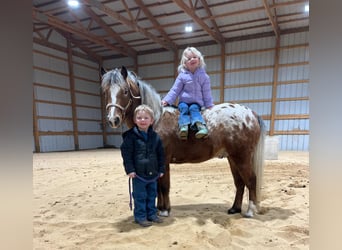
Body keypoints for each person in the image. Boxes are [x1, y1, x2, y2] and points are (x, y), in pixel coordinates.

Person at [120, 104, 165, 227]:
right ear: (135, 120)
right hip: (138, 174)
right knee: (140, 196)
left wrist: (161, 169)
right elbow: (126, 155)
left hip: (153, 173)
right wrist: (130, 170)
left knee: (152, 195)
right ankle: (140, 217)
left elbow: (161, 154)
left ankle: (151, 214)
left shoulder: (156, 137)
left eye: (146, 118)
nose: (143, 120)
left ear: (151, 121)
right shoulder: (130, 137)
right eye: (139, 118)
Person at [161, 47, 214, 140]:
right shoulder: (182, 76)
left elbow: (207, 92)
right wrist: (167, 100)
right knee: (184, 109)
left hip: (196, 102)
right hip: (184, 102)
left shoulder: (204, 76)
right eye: (189, 59)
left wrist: (209, 105)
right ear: (185, 63)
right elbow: (175, 90)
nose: (192, 59)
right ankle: (183, 127)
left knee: (194, 109)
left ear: (199, 59)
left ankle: (201, 127)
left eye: (194, 57)